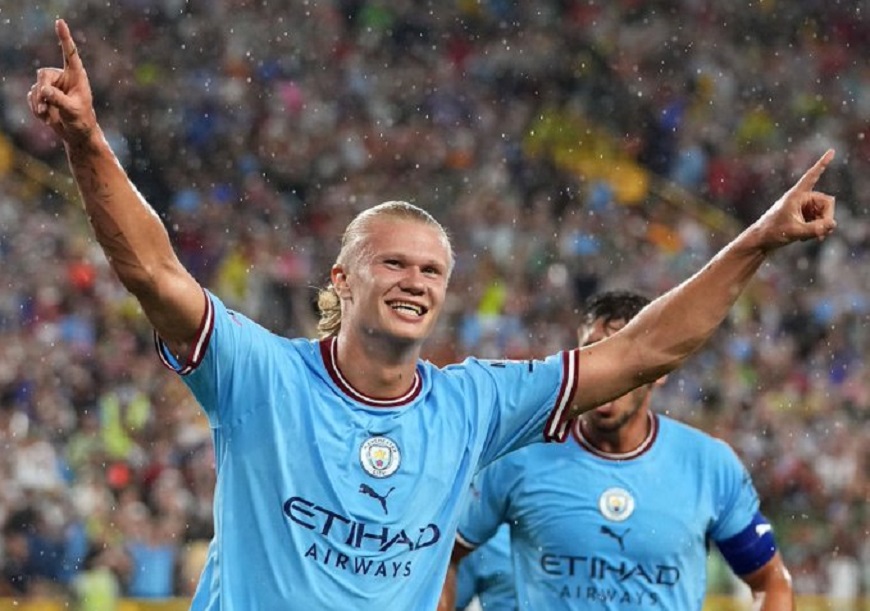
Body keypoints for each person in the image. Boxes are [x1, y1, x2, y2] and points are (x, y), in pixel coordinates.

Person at [28, 18, 835, 609]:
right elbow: (155, 272)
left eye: (433, 269)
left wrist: (757, 241)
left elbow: (646, 349)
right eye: (394, 262)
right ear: (341, 277)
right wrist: (89, 142)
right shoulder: (262, 376)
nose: (416, 280)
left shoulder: (473, 402)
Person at [441, 290, 796, 610]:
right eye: (594, 353)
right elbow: (442, 556)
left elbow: (771, 582)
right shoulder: (519, 456)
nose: (608, 374)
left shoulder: (709, 464)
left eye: (623, 356)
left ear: (660, 369)